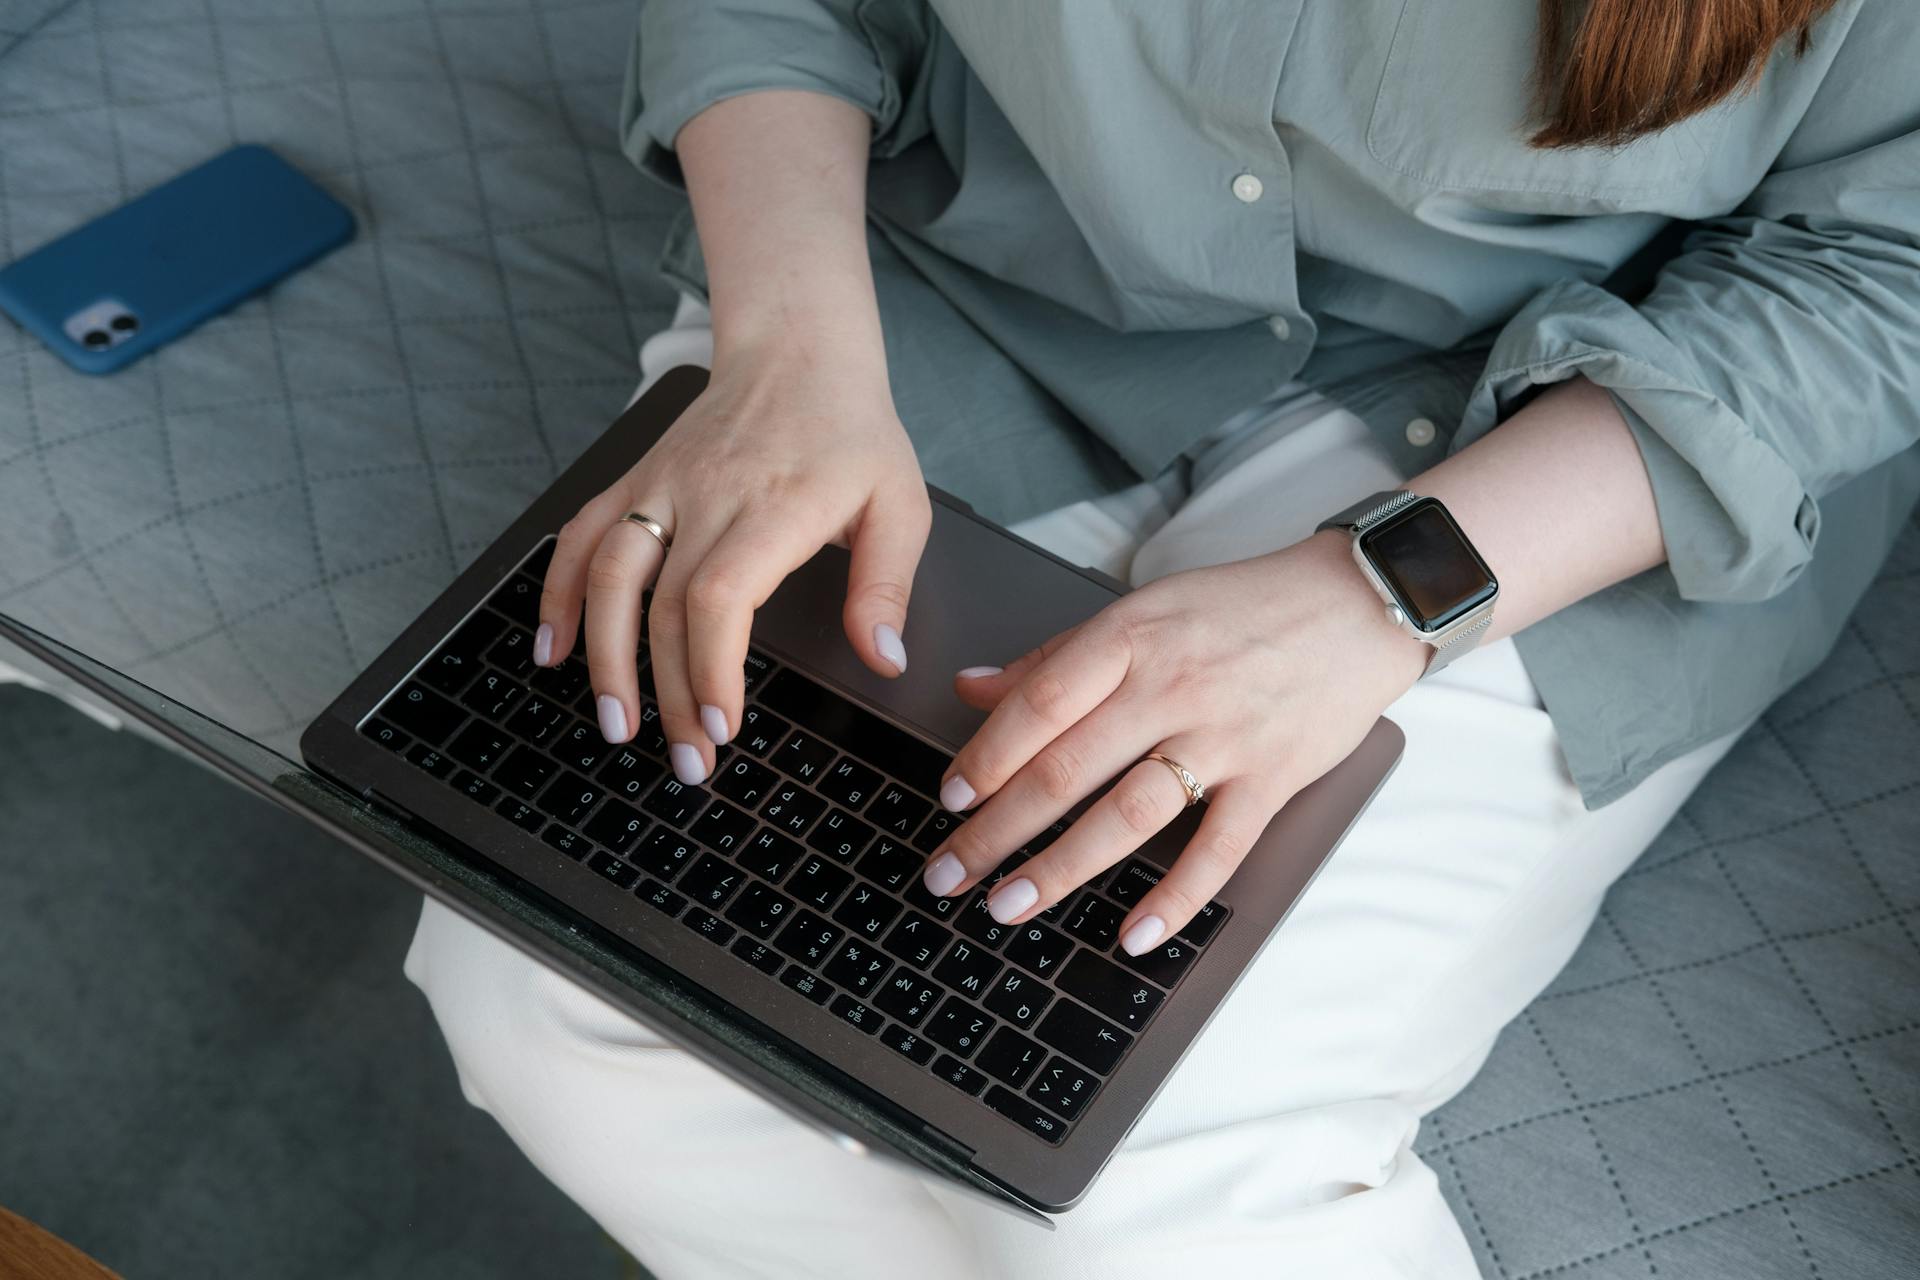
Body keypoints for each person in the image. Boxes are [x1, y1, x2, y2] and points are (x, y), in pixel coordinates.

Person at [404, 2, 1920, 1275]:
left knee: (1138, 1180)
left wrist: (1374, 601)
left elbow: (1876, 273)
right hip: (979, 279)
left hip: (1582, 425)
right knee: (560, 1016)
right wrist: (786, 358)